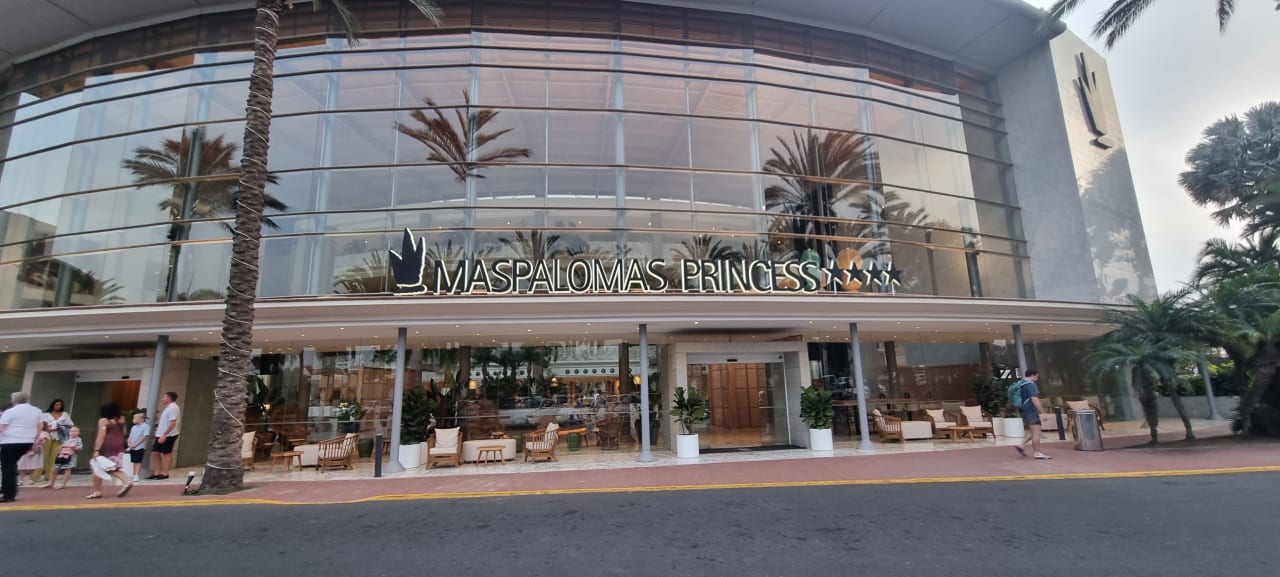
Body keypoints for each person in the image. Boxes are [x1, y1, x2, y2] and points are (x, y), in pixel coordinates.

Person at [0, 391, 44, 503]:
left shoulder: (10, 411)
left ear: (13, 400)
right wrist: (35, 441)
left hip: (10, 442)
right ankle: (8, 488)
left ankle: (9, 495)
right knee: (12, 465)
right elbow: (40, 426)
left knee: (8, 468)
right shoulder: (37, 410)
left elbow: (2, 427)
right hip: (27, 442)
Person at [88, 403, 133, 499]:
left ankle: (126, 482)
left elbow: (101, 435)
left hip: (107, 445)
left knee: (108, 467)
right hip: (119, 444)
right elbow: (125, 433)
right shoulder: (121, 419)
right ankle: (98, 491)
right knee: (102, 467)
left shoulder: (103, 420)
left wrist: (96, 449)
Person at [1014, 370, 1050, 460]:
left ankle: (1021, 445)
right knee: (1036, 432)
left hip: (1023, 410)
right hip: (1030, 411)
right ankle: (1037, 453)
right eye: (1037, 376)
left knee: (1032, 431)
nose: (1037, 378)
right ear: (1033, 375)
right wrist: (1042, 412)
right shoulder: (1030, 385)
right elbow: (1034, 399)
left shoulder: (1021, 384)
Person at [40, 399, 73, 485]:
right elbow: (41, 425)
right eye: (56, 405)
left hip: (59, 437)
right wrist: (47, 428)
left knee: (54, 457)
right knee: (43, 455)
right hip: (47, 436)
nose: (58, 406)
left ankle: (49, 476)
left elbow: (70, 425)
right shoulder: (45, 415)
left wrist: (60, 427)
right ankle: (36, 475)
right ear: (52, 405)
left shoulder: (65, 414)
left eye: (60, 405)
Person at [149, 391, 181, 480]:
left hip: (169, 434)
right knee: (155, 452)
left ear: (169, 398)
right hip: (160, 433)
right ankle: (157, 472)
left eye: (164, 397)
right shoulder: (168, 408)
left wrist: (165, 434)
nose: (162, 399)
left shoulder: (173, 408)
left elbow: (172, 422)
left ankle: (165, 473)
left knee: (166, 453)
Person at [126, 412, 149, 482]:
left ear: (140, 419)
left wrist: (135, 444)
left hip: (140, 447)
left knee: (138, 461)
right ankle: (134, 474)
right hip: (132, 447)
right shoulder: (134, 427)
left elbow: (144, 437)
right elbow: (130, 436)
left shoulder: (146, 426)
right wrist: (129, 443)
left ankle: (136, 475)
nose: (133, 419)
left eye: (135, 418)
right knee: (134, 461)